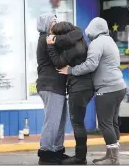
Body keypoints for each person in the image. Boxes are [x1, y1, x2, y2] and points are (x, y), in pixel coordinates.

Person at [58, 17, 127, 165]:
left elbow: (90, 64)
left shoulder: (97, 43)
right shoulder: (110, 41)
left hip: (107, 88)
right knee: (112, 122)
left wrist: (71, 70)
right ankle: (111, 155)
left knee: (105, 123)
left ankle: (113, 159)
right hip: (119, 86)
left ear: (93, 29)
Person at [46, 22, 94, 165]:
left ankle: (80, 158)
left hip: (79, 87)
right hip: (85, 86)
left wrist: (50, 45)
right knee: (79, 122)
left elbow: (58, 62)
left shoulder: (72, 49)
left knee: (77, 123)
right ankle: (80, 156)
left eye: (56, 35)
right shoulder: (79, 40)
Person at [36, 13, 69, 165]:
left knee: (60, 120)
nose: (55, 24)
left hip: (57, 86)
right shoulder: (46, 39)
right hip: (50, 85)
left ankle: (57, 150)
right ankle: (46, 153)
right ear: (46, 24)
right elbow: (59, 58)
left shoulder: (50, 38)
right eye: (53, 22)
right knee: (52, 120)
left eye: (56, 22)